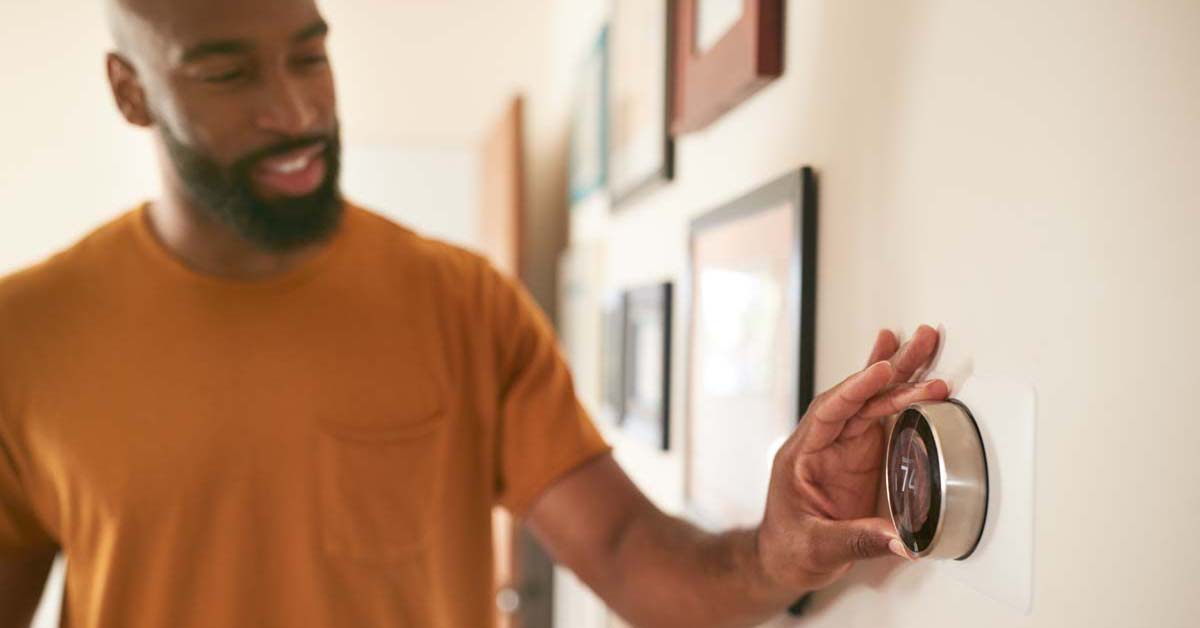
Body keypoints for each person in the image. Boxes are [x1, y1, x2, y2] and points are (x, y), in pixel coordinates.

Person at [0, 1, 950, 626]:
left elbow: (624, 551)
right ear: (131, 91)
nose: (294, 110)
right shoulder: (25, 337)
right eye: (226, 74)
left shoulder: (463, 301)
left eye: (309, 55)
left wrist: (774, 553)